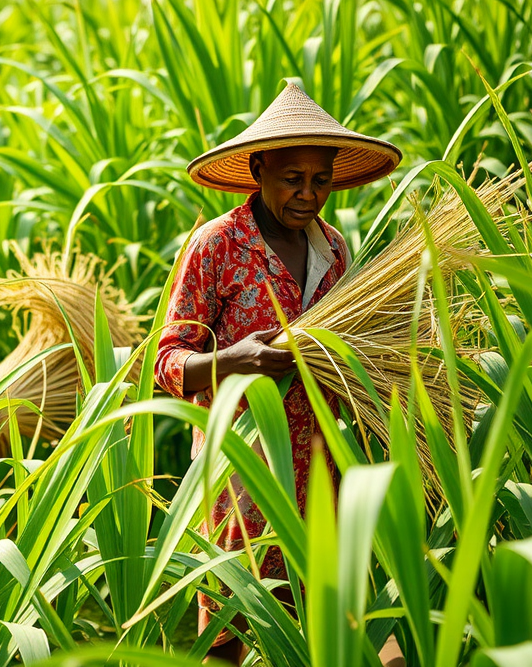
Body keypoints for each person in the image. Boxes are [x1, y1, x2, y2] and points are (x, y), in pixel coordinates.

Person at [155, 81, 406, 665]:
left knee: (337, 623)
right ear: (259, 169)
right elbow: (168, 362)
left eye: (321, 180)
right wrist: (236, 359)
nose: (308, 194)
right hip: (239, 475)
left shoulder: (334, 250)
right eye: (293, 177)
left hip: (321, 469)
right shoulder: (216, 246)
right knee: (229, 635)